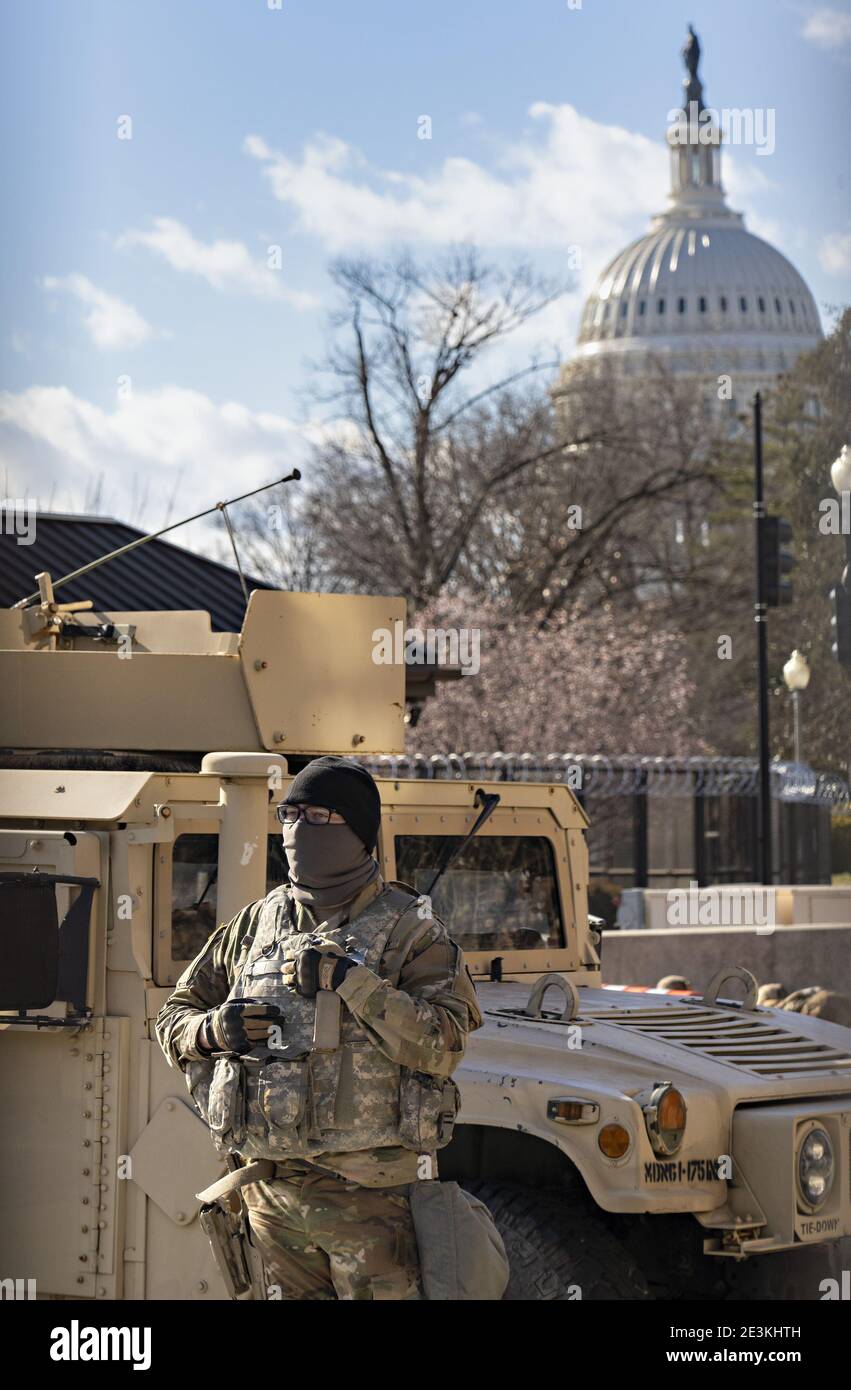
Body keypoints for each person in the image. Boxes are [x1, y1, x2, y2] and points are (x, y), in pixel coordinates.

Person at [156, 755, 482, 1300]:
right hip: (270, 1196)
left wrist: (352, 982)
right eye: (288, 813)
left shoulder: (411, 929)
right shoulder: (256, 923)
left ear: (356, 831)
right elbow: (172, 1016)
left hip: (370, 1200)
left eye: (317, 815)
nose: (295, 829)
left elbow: (443, 1044)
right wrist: (214, 1032)